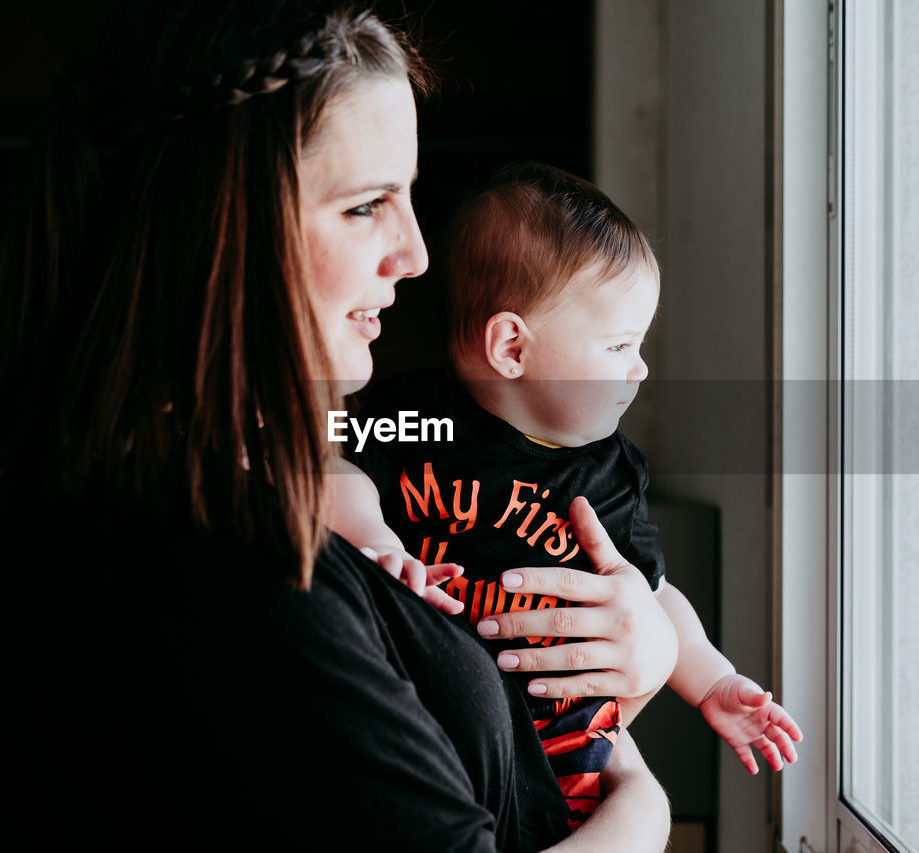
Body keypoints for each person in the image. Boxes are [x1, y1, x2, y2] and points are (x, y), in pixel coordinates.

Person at [0, 3, 676, 850]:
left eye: (409, 198)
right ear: (221, 223)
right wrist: (641, 811)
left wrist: (648, 646)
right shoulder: (216, 553)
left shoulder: (206, 485)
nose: (415, 252)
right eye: (366, 205)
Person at [331, 162, 803, 829]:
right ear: (512, 347)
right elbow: (326, 466)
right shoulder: (416, 417)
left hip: (563, 773)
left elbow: (654, 593)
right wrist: (379, 543)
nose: (640, 368)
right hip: (428, 736)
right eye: (619, 345)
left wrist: (712, 679)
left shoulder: (610, 473)